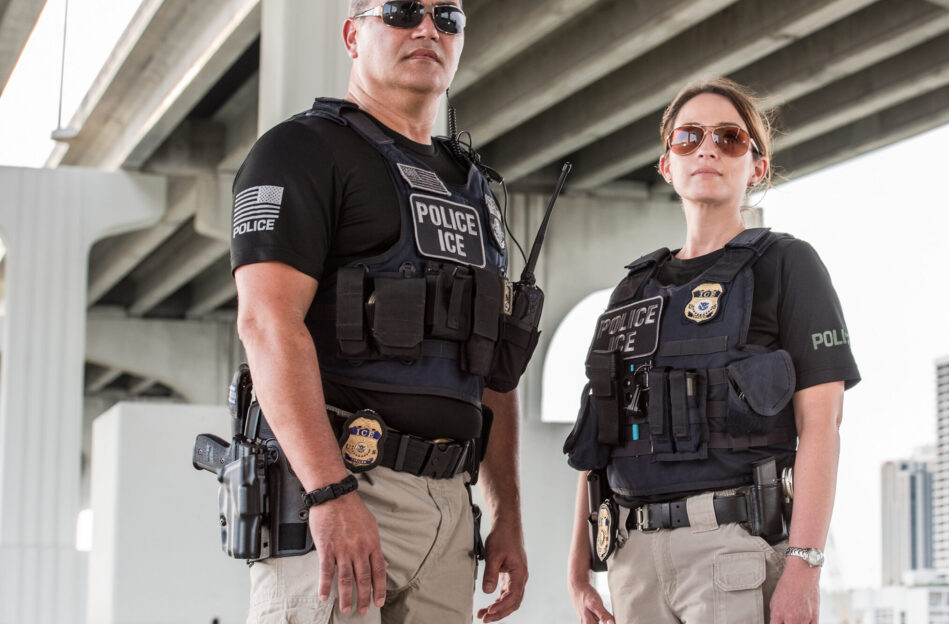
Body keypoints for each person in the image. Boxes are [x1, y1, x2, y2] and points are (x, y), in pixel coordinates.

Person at [230, 1, 528, 622]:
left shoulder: (474, 191)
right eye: (400, 11)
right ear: (352, 33)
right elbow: (266, 323)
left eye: (447, 17)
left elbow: (493, 370)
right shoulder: (300, 152)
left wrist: (507, 514)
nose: (427, 29)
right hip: (343, 486)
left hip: (450, 509)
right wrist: (329, 491)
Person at [564, 78, 860, 624]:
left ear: (757, 167)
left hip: (735, 552)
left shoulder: (787, 265)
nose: (707, 149)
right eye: (688, 137)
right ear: (666, 164)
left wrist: (804, 566)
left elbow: (823, 425)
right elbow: (597, 436)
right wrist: (578, 572)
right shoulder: (631, 290)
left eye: (730, 138)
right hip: (633, 559)